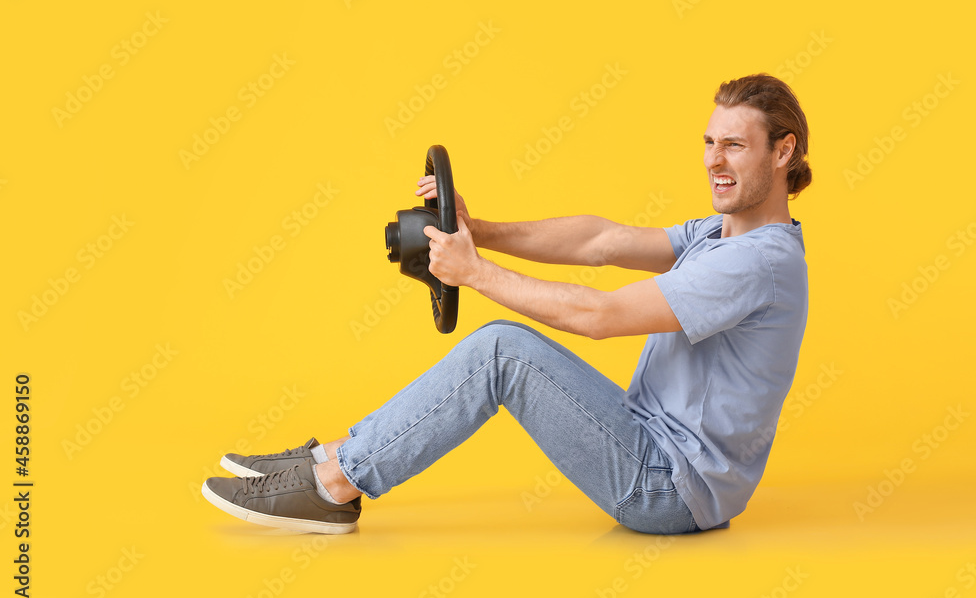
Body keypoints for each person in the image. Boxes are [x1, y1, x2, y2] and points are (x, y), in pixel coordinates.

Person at [202, 73, 812, 535]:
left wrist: (474, 271)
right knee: (504, 344)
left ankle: (332, 486)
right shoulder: (718, 234)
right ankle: (330, 458)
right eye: (709, 142)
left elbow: (598, 318)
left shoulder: (759, 262)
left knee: (503, 350)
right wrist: (479, 229)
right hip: (649, 445)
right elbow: (599, 242)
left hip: (670, 487)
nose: (712, 160)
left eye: (733, 145)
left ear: (783, 153)